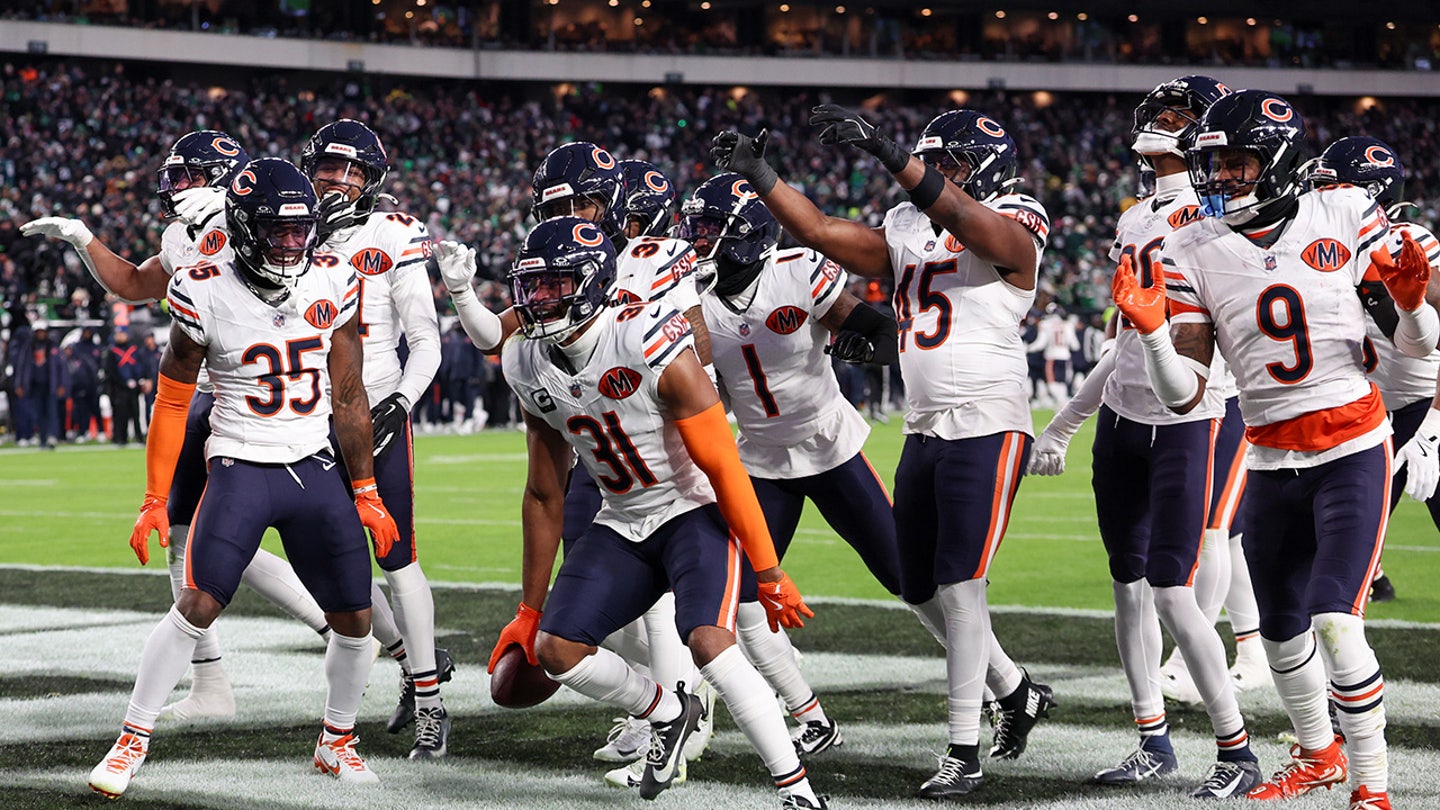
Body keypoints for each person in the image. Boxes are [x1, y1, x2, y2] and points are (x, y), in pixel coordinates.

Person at [712, 105, 1056, 798]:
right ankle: (1019, 692)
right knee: (917, 585)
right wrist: (762, 176)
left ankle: (963, 749)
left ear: (989, 168)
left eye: (952, 162)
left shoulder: (1018, 214)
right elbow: (818, 231)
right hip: (924, 425)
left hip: (988, 418)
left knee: (960, 585)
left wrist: (895, 155)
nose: (940, 173)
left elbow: (974, 226)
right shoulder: (906, 224)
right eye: (936, 161)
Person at [1114, 89, 1437, 810]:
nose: (1221, 177)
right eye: (1214, 163)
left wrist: (1414, 306)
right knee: (1282, 633)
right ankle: (1319, 755)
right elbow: (1184, 395)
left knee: (1336, 619)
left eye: (1238, 162)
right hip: (1268, 456)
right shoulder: (1189, 246)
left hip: (1351, 445)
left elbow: (1417, 349)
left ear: (1281, 160)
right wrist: (1154, 334)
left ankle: (1373, 787)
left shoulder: (1343, 211)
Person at [87, 158, 400, 797]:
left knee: (356, 620)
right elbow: (172, 399)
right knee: (197, 602)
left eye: (301, 230)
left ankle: (337, 741)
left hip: (313, 463)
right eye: (278, 231)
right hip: (239, 461)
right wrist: (154, 497)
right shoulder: (202, 286)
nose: (292, 244)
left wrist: (366, 490)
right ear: (246, 229)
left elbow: (348, 393)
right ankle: (131, 739)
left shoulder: (334, 276)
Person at [494, 215, 827, 809]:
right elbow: (545, 493)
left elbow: (723, 465)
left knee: (710, 643)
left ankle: (798, 792)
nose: (539, 298)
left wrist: (769, 571)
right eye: (532, 285)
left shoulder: (645, 339)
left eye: (555, 284)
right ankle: (669, 711)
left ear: (594, 282)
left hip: (690, 508)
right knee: (556, 649)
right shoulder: (526, 361)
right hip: (621, 518)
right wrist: (528, 608)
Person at [23, 130, 333, 722]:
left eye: (188, 175)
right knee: (190, 540)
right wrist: (84, 239)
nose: (176, 187)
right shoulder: (181, 233)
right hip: (205, 398)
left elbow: (281, 290)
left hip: (260, 403)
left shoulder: (261, 230)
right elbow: (134, 285)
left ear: (223, 181)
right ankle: (225, 678)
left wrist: (220, 223)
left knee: (217, 541)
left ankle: (344, 631)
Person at [440, 145, 720, 785]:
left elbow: (698, 348)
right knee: (600, 597)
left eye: (579, 204)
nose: (564, 217)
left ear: (610, 204)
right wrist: (460, 290)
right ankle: (663, 706)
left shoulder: (655, 258)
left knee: (679, 600)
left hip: (657, 446)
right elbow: (497, 338)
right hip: (594, 451)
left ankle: (685, 723)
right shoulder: (558, 268)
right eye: (554, 207)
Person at [1028, 75, 1263, 797]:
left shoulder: (1219, 222)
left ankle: (1237, 751)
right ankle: (1152, 739)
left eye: (1175, 115)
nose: (1158, 123)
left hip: (1190, 418)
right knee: (1127, 588)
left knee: (1173, 591)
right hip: (1123, 419)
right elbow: (1125, 341)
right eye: (1157, 112)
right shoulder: (1138, 220)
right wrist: (1066, 422)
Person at [685, 171, 904, 760]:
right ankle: (809, 714)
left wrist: (866, 344)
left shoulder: (797, 270)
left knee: (907, 575)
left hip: (829, 445)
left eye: (709, 228)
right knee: (741, 601)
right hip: (760, 459)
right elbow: (704, 392)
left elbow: (885, 334)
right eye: (695, 227)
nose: (698, 239)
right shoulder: (693, 298)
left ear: (746, 233)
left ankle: (1001, 685)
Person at [301, 118, 453, 759]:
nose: (339, 181)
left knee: (396, 554)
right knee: (329, 560)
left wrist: (399, 402)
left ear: (372, 180)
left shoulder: (393, 233)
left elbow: (426, 340)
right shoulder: (285, 228)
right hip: (304, 418)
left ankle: (431, 701)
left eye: (353, 172)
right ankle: (410, 661)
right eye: (329, 169)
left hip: (374, 411)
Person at [1306, 135, 1440, 605]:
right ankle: (1368, 586)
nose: (1320, 196)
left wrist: (1433, 426)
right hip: (1367, 407)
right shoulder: (1317, 246)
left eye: (1333, 186)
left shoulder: (1408, 243)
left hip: (1422, 404)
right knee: (1338, 526)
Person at [104, 327, 145, 446]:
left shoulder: (134, 349)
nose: (120, 336)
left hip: (134, 387)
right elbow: (110, 371)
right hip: (119, 388)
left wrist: (138, 380)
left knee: (136, 413)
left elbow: (139, 366)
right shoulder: (112, 351)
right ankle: (121, 438)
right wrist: (123, 383)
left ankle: (139, 437)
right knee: (121, 414)